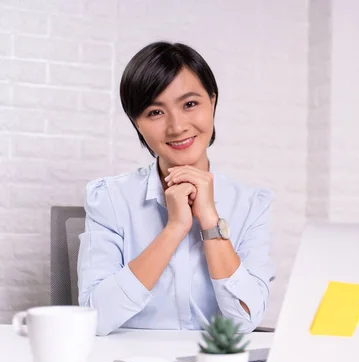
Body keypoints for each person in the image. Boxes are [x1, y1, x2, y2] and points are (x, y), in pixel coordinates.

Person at [77, 41, 275, 336]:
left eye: (190, 104)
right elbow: (95, 319)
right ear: (137, 124)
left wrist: (210, 222)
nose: (177, 126)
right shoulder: (109, 198)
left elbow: (244, 322)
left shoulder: (251, 203)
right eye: (155, 112)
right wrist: (175, 228)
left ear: (213, 102)